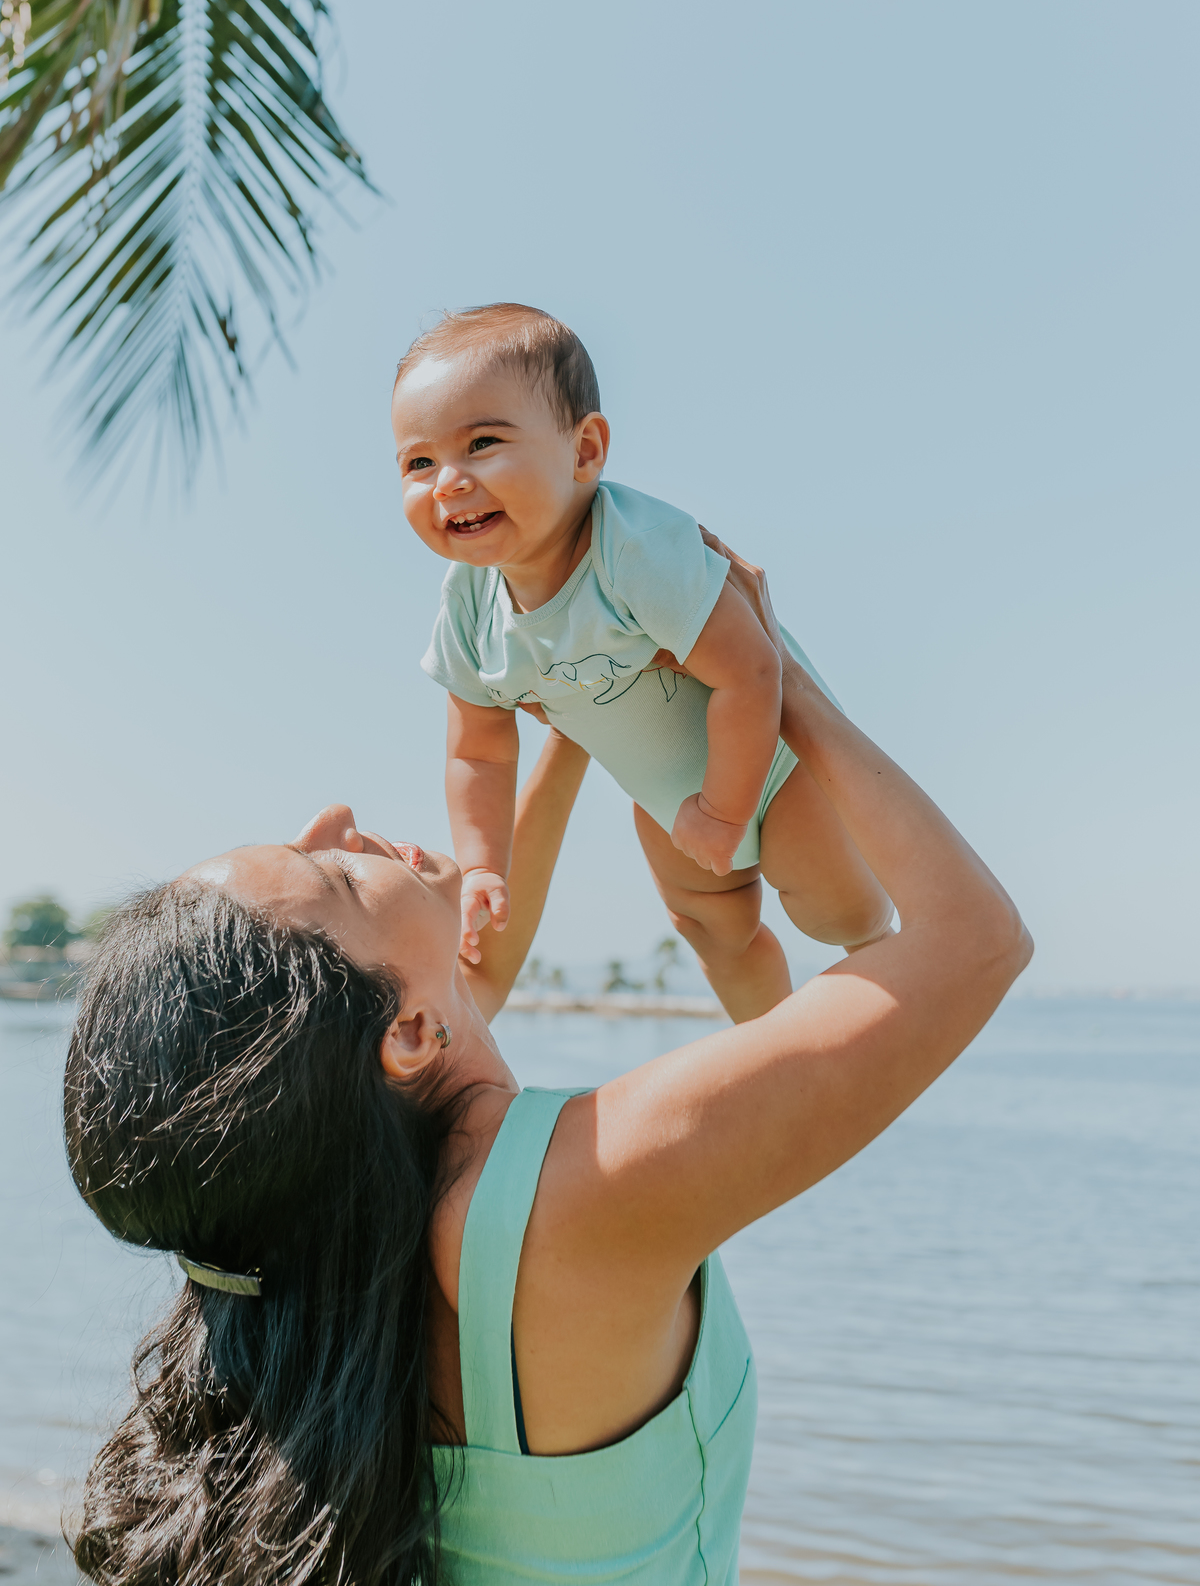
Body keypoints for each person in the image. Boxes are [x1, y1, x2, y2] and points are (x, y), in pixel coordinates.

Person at [64, 539, 1032, 1586]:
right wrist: (772, 672)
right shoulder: (571, 1201)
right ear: (407, 1037)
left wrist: (583, 695)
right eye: (333, 871)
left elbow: (477, 952)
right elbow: (974, 938)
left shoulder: (342, 1227)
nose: (337, 818)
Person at [392, 302, 894, 1024]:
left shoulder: (631, 550)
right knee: (713, 932)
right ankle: (775, 1045)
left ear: (584, 451)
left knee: (833, 910)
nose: (447, 480)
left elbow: (750, 671)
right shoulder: (469, 607)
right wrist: (480, 865)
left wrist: (726, 815)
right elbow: (479, 752)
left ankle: (879, 944)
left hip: (777, 766)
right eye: (419, 461)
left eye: (482, 443)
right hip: (667, 804)